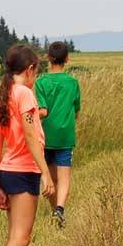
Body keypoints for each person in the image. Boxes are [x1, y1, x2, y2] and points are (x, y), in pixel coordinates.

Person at [0, 44, 56, 246]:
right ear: (29, 70)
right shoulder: (24, 94)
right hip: (23, 172)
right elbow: (31, 136)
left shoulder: (3, 97)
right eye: (36, 73)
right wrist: (47, 173)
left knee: (16, 237)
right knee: (20, 238)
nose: (35, 79)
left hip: (7, 171)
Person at [35, 41, 81, 228]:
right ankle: (59, 210)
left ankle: (57, 210)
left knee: (51, 178)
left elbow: (41, 109)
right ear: (67, 59)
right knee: (64, 177)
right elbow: (76, 109)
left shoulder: (40, 83)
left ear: (48, 58)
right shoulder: (73, 83)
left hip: (45, 137)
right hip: (65, 136)